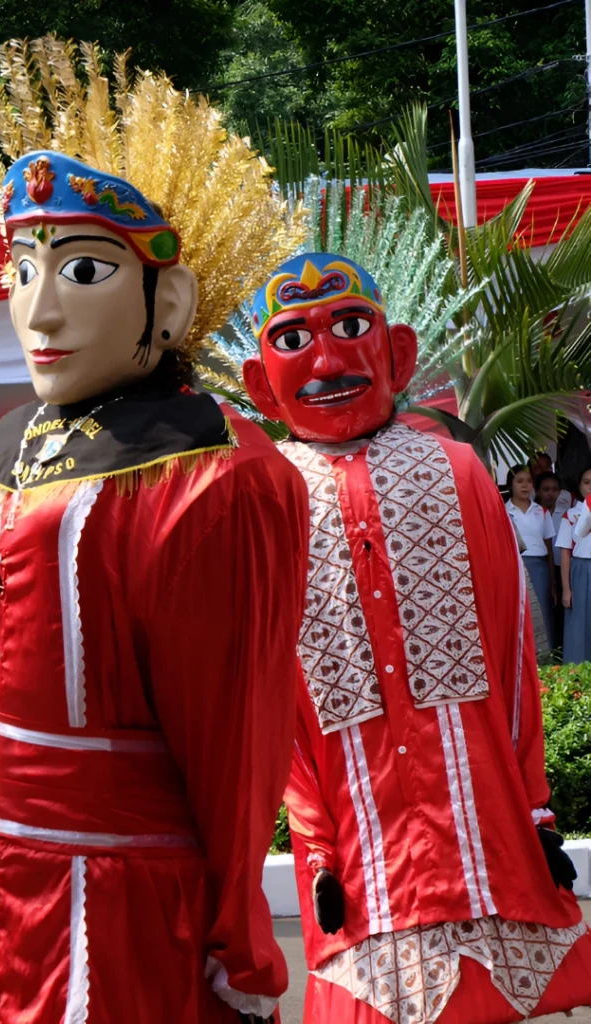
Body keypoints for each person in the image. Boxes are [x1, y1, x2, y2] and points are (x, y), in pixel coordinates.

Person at [0, 44, 309, 1024]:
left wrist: (239, 950)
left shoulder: (218, 477)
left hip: (119, 923)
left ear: (171, 301)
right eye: (21, 266)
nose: (39, 308)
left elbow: (236, 743)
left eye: (81, 269)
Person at [243, 251, 591, 1024]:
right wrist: (314, 835)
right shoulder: (266, 499)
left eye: (351, 328)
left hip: (480, 822)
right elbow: (268, 690)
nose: (329, 359)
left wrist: (535, 808)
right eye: (295, 340)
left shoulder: (459, 469)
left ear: (396, 352)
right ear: (261, 382)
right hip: (356, 835)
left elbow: (510, 652)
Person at [506, 465, 556, 651]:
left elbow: (549, 548)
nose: (525, 485)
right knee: (520, 613)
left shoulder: (541, 511)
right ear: (511, 484)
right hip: (516, 566)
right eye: (520, 481)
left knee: (543, 612)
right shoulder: (504, 510)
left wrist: (552, 582)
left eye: (528, 481)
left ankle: (546, 658)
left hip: (540, 567)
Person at [534, 470, 573, 651]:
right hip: (542, 566)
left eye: (555, 489)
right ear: (538, 491)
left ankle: (561, 645)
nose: (550, 493)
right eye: (546, 489)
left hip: (564, 568)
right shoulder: (534, 512)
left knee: (562, 608)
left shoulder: (566, 513)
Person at [558, 465, 591, 664]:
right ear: (579, 486)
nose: (590, 487)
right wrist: (566, 589)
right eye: (586, 483)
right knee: (579, 622)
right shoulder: (570, 515)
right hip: (580, 571)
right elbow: (565, 553)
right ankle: (577, 673)